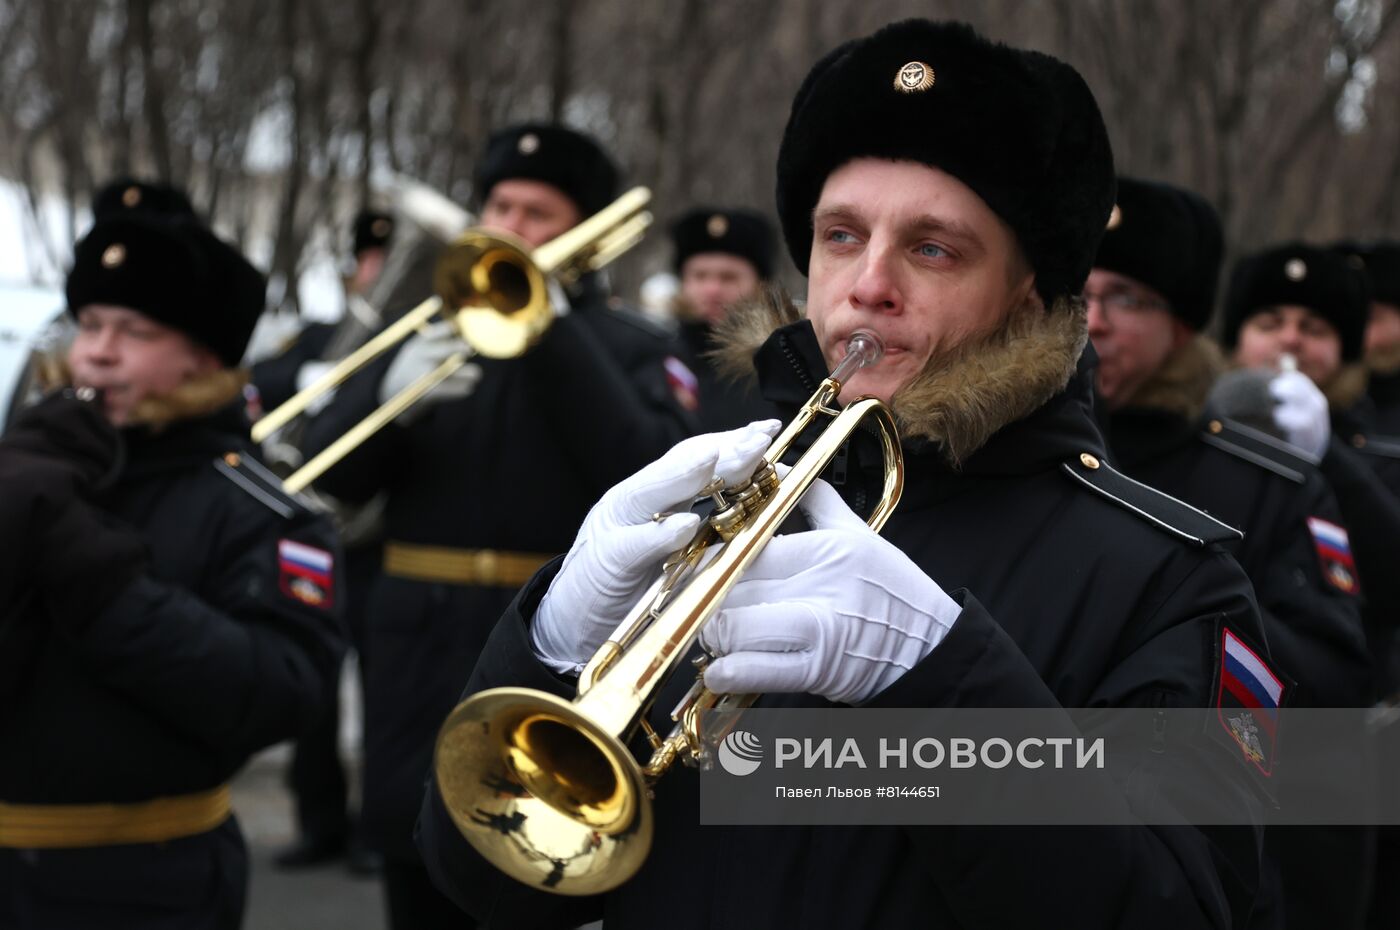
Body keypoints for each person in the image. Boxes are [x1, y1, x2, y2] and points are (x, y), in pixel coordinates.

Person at [417, 20, 1278, 928]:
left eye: (932, 248)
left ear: (1027, 292)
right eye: (840, 236)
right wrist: (550, 640)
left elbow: (1188, 905)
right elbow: (487, 882)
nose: (868, 284)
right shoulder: (719, 498)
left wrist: (943, 688)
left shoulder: (1167, 576)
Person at [299, 123, 698, 928]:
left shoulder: (626, 347)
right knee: (414, 863)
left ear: (584, 228)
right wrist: (384, 406)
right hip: (415, 643)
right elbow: (327, 471)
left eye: (538, 212)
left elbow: (650, 470)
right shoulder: (426, 331)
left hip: (552, 645)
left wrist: (550, 334)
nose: (511, 225)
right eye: (499, 205)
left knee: (534, 874)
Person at [0, 205, 344, 928]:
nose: (98, 352)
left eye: (136, 332)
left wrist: (97, 579)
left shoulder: (262, 510)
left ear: (206, 357)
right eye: (90, 324)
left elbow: (280, 690)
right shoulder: (34, 466)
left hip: (136, 883)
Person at [1087, 179, 1372, 929]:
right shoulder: (1014, 468)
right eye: (1075, 292)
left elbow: (1334, 677)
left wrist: (1186, 623)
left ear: (1181, 326)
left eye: (1125, 298)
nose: (1092, 321)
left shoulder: (1270, 485)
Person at [251, 208, 400, 875]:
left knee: (386, 693)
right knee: (312, 688)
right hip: (315, 538)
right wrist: (313, 384)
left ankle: (379, 829)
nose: (383, 274)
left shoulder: (420, 342)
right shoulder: (314, 335)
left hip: (382, 542)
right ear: (353, 271)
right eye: (374, 262)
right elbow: (265, 389)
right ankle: (318, 823)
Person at [668, 206, 781, 429]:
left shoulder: (781, 369)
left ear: (760, 285)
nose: (712, 290)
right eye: (700, 276)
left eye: (728, 278)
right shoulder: (655, 361)